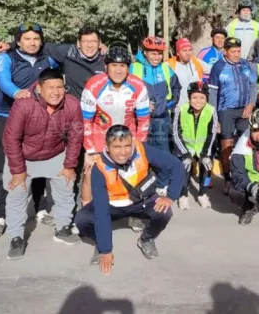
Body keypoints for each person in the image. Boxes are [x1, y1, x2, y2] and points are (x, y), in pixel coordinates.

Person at [75, 125, 184, 275]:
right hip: (112, 205)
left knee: (165, 212)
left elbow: (176, 165)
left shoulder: (143, 149)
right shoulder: (98, 168)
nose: (123, 152)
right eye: (117, 147)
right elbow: (101, 212)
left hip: (141, 201)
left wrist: (171, 196)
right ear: (107, 147)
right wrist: (106, 249)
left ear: (132, 142)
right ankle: (99, 243)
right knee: (82, 219)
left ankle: (146, 239)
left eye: (127, 145)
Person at [2, 69, 83, 259]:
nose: (56, 92)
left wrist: (69, 165)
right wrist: (18, 170)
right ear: (39, 88)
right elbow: (11, 139)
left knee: (66, 185)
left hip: (55, 153)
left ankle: (63, 227)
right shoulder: (24, 105)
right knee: (17, 192)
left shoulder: (72, 104)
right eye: (51, 88)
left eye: (60, 87)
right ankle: (16, 237)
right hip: (24, 156)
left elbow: (75, 136)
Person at [0, 22, 59, 236]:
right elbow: (3, 81)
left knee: (38, 163)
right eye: (27, 38)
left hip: (37, 120)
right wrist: (16, 92)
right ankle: (0, 215)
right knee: (4, 168)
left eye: (36, 39)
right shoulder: (6, 57)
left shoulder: (46, 59)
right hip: (6, 117)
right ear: (18, 40)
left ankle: (40, 208)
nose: (32, 42)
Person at [80, 46, 150, 207]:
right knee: (90, 173)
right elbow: (85, 122)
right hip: (100, 134)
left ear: (128, 68)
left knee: (136, 173)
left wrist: (139, 145)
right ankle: (86, 214)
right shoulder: (94, 85)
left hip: (127, 133)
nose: (118, 70)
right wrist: (90, 150)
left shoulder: (138, 85)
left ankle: (135, 212)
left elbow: (144, 120)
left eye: (122, 66)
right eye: (114, 65)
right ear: (106, 67)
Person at [0, 26, 106, 100]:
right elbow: (33, 45)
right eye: (85, 41)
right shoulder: (67, 52)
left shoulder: (106, 59)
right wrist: (11, 45)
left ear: (99, 43)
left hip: (100, 112)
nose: (89, 45)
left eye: (93, 41)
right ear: (78, 43)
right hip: (74, 109)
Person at [208, 37, 257, 193]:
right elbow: (213, 93)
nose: (236, 54)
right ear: (225, 51)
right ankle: (228, 179)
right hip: (225, 111)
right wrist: (215, 118)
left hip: (244, 110)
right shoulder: (218, 66)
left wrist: (251, 105)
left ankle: (244, 176)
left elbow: (253, 85)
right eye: (233, 51)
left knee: (247, 143)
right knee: (226, 146)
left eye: (238, 51)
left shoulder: (244, 64)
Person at [131, 36, 181, 152]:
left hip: (162, 120)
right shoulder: (133, 68)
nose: (157, 57)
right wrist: (138, 106)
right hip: (141, 119)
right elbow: (126, 93)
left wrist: (168, 104)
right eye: (153, 54)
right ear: (145, 53)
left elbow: (176, 87)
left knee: (163, 154)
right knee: (142, 152)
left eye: (159, 54)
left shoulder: (165, 68)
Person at [172, 81, 217, 210]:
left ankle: (203, 192)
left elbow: (212, 133)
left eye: (202, 98)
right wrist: (185, 154)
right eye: (194, 97)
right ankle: (183, 194)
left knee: (207, 170)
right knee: (184, 169)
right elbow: (175, 132)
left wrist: (205, 154)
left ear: (207, 98)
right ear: (189, 97)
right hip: (186, 147)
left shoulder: (211, 110)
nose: (198, 101)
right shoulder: (180, 110)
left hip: (204, 147)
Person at [167, 38, 209, 105]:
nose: (188, 53)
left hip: (197, 107)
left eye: (190, 50)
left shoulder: (197, 62)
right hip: (178, 108)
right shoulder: (169, 64)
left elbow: (215, 70)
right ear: (177, 53)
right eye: (184, 50)